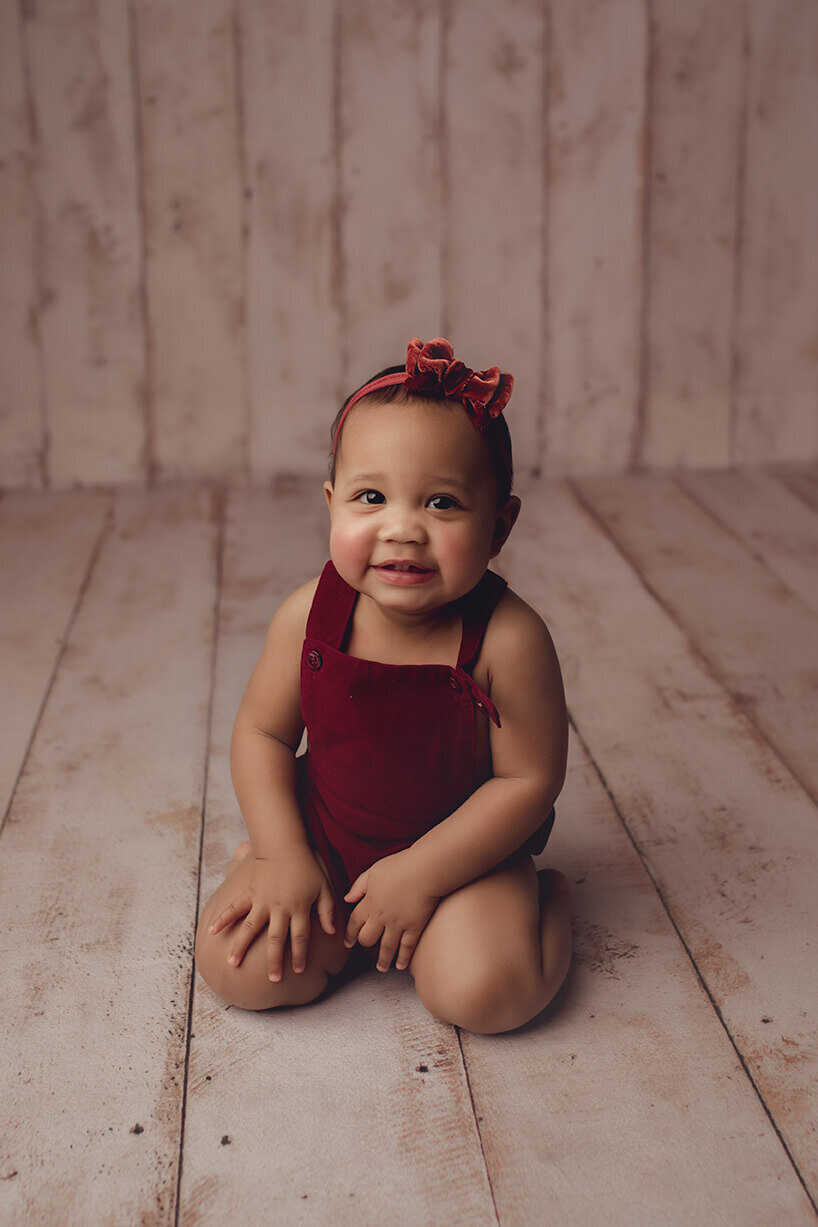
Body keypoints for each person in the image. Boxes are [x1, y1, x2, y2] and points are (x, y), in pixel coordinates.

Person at [195, 338, 571, 1034]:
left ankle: (539, 905)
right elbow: (262, 732)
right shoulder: (310, 613)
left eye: (442, 502)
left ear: (499, 525)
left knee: (485, 993)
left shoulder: (509, 638)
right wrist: (282, 848)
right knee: (236, 965)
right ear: (332, 503)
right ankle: (280, 867)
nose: (403, 528)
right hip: (331, 839)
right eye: (372, 496)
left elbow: (529, 780)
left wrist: (421, 874)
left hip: (461, 856)